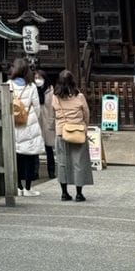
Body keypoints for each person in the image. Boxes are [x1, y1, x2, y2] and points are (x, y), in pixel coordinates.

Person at [51, 69, 92, 201]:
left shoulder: (55, 97)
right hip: (78, 132)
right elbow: (86, 113)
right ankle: (79, 193)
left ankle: (64, 192)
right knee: (78, 162)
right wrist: (84, 125)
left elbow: (53, 114)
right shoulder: (79, 97)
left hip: (61, 132)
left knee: (62, 162)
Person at [7, 57, 43, 196]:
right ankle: (28, 188)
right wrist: (33, 118)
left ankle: (18, 187)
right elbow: (37, 107)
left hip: (14, 124)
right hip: (29, 124)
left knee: (17, 157)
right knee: (29, 157)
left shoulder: (8, 84)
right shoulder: (31, 86)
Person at [35, 69, 57, 180]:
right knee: (35, 149)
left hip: (48, 122)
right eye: (36, 78)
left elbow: (54, 108)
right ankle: (35, 172)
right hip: (36, 122)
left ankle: (51, 171)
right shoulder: (33, 91)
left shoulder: (51, 91)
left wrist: (52, 122)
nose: (38, 80)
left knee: (49, 149)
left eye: (40, 78)